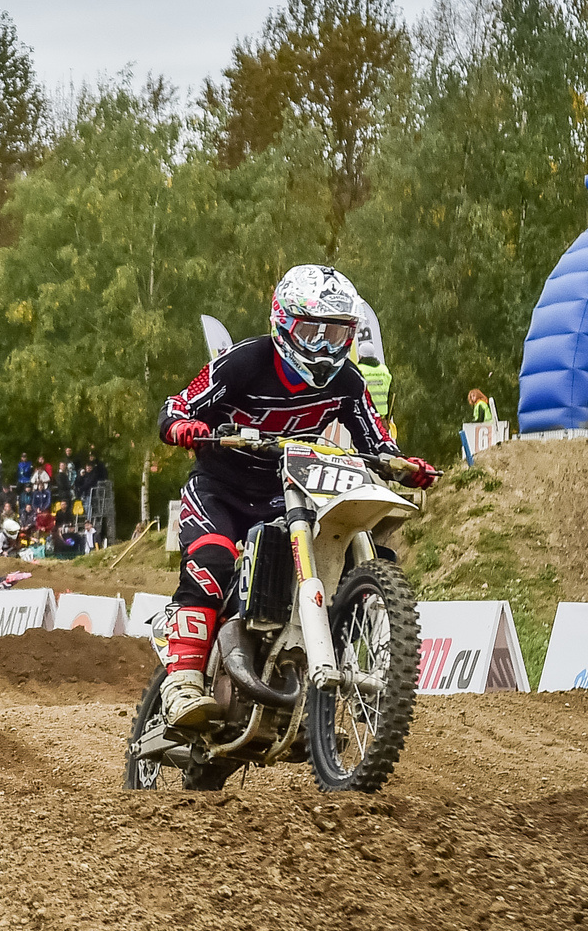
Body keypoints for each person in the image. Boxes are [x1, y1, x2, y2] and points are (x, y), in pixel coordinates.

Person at [154, 265, 440, 729]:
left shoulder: (346, 382)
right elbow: (178, 404)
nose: (325, 347)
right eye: (313, 332)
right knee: (212, 561)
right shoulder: (245, 362)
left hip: (288, 493)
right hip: (221, 491)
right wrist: (185, 427)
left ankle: (324, 674)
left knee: (337, 555)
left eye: (337, 334)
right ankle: (183, 682)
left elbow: (375, 438)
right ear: (284, 324)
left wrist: (401, 464)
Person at [350, 294, 396, 439]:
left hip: (366, 415)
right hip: (382, 417)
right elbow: (389, 389)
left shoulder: (359, 370)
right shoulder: (383, 370)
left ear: (361, 355)